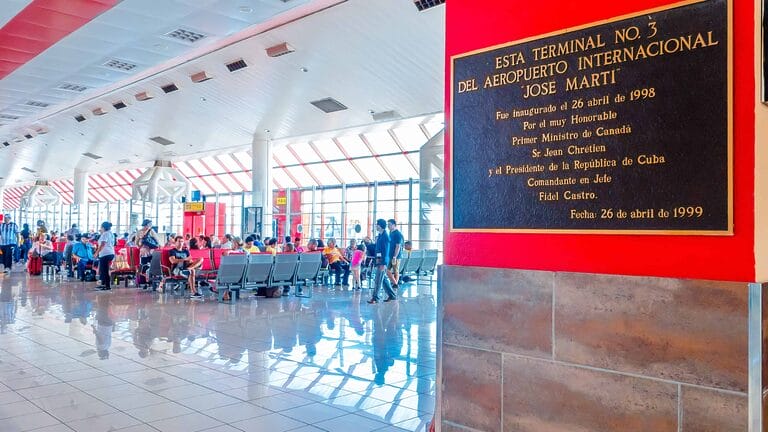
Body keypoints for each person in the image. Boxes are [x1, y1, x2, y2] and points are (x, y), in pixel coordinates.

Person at [368, 219, 395, 304]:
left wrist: (383, 263)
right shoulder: (380, 235)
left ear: (380, 226)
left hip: (382, 261)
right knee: (383, 280)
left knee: (378, 280)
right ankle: (392, 295)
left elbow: (386, 251)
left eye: (377, 224)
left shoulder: (385, 237)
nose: (376, 226)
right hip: (379, 260)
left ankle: (375, 298)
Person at [94, 222, 115, 291]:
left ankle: (107, 286)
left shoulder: (105, 234)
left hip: (105, 254)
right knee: (104, 270)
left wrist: (96, 252)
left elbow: (103, 244)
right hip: (110, 252)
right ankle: (104, 284)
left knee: (104, 270)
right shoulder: (111, 234)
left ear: (103, 227)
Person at [386, 219, 404, 289]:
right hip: (389, 255)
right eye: (388, 225)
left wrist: (395, 256)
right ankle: (395, 283)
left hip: (396, 256)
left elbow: (398, 246)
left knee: (396, 270)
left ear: (394, 225)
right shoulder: (390, 233)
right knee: (387, 270)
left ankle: (395, 284)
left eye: (390, 225)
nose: (388, 226)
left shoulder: (398, 234)